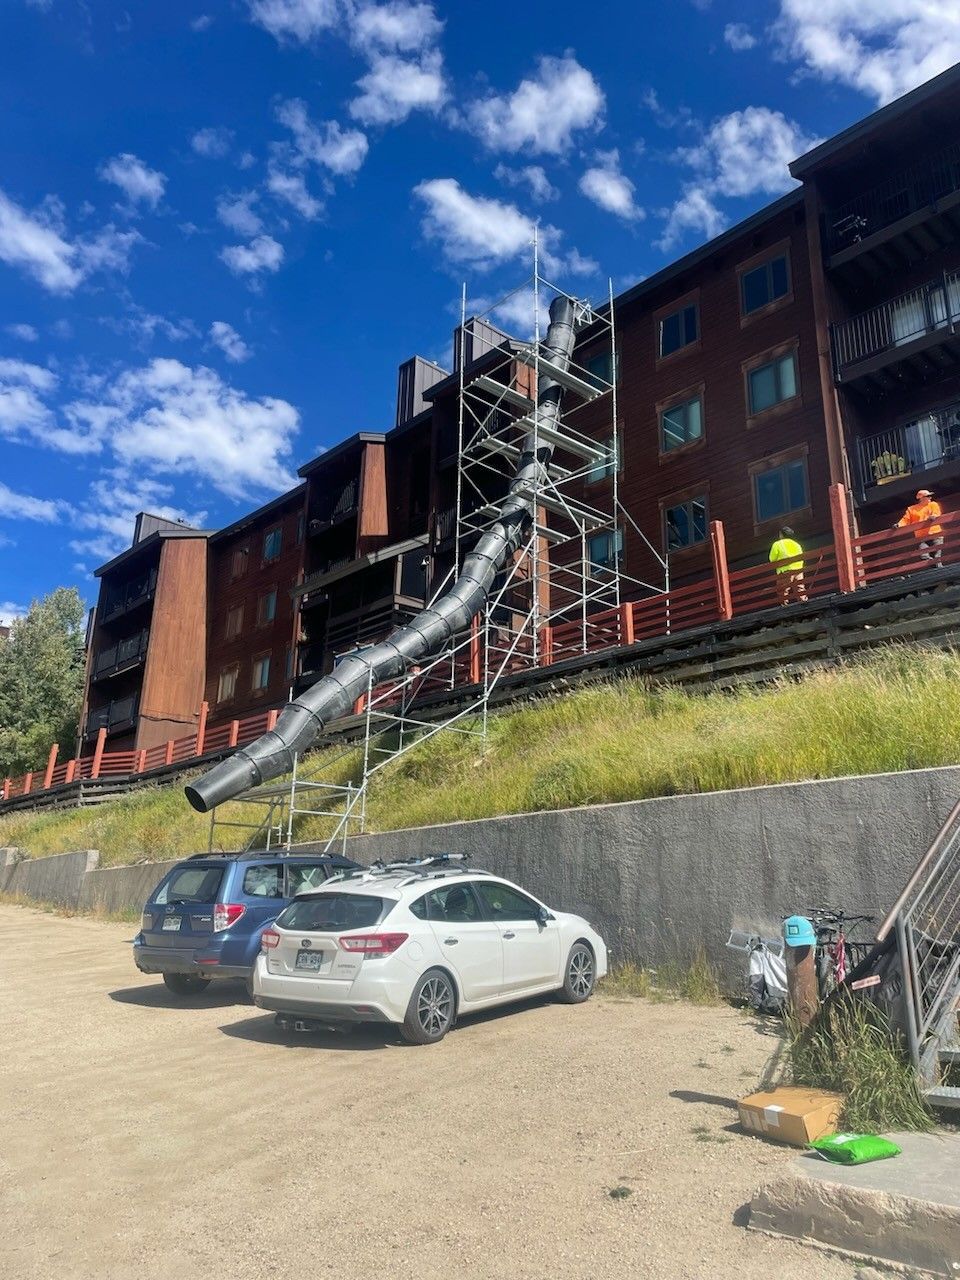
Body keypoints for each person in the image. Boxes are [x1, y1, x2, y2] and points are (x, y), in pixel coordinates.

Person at [896, 488, 943, 566]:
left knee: (937, 556)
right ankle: (936, 570)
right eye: (928, 496)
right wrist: (898, 525)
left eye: (930, 496)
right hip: (921, 537)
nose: (930, 498)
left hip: (936, 534)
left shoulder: (933, 504)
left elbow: (936, 513)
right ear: (921, 498)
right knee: (924, 556)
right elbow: (905, 520)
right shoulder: (911, 509)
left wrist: (933, 516)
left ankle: (939, 572)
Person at [769, 526, 807, 605]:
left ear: (781, 535)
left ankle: (784, 606)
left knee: (783, 590)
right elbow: (801, 557)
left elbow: (772, 559)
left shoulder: (777, 544)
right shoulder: (797, 544)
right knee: (800, 588)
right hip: (798, 569)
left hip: (785, 570)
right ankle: (804, 604)